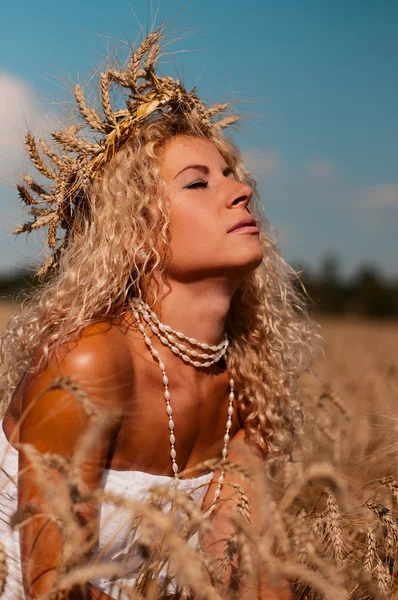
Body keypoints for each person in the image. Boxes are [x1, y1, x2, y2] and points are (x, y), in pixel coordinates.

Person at [0, 28, 317, 600]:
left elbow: (243, 566)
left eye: (231, 173)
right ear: (137, 229)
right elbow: (57, 587)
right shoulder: (90, 360)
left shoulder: (248, 381)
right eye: (198, 182)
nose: (241, 189)